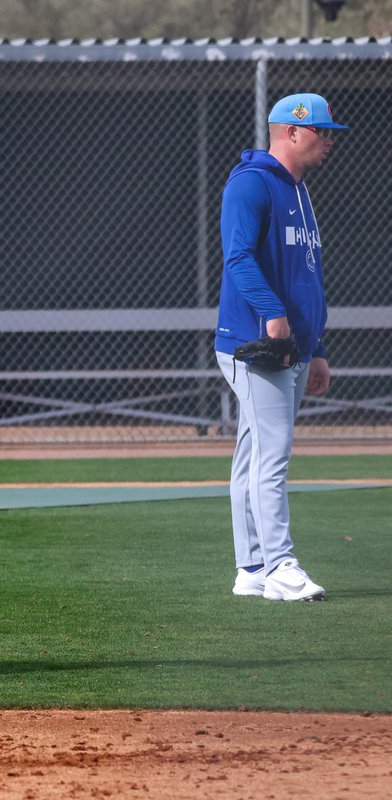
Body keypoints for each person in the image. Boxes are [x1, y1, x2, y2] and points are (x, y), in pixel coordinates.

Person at [215, 92, 348, 602]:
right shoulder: (251, 183)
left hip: (293, 348)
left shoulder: (299, 190)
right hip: (256, 344)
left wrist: (316, 347)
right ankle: (279, 566)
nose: (329, 140)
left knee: (253, 455)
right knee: (273, 455)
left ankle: (251, 568)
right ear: (291, 132)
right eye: (321, 130)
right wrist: (273, 316)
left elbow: (307, 274)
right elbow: (239, 258)